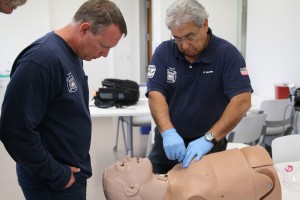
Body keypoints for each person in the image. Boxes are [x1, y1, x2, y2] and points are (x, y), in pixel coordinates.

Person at [0, 0, 127, 199]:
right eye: (103, 46)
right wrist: (58, 175)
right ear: (85, 29)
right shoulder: (41, 60)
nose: (105, 54)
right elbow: (14, 130)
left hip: (70, 174)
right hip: (52, 182)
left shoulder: (73, 55)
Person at [146, 0, 252, 174]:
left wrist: (209, 139)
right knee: (155, 187)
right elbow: (155, 95)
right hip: (169, 140)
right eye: (177, 39)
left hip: (210, 141)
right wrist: (168, 132)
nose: (184, 45)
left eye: (190, 36)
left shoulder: (227, 54)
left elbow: (242, 100)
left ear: (205, 24)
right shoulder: (164, 52)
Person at [102, 146, 281, 200]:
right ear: (132, 188)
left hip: (260, 160)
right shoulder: (186, 196)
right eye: (122, 166)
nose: (126, 157)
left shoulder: (173, 173)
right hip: (271, 183)